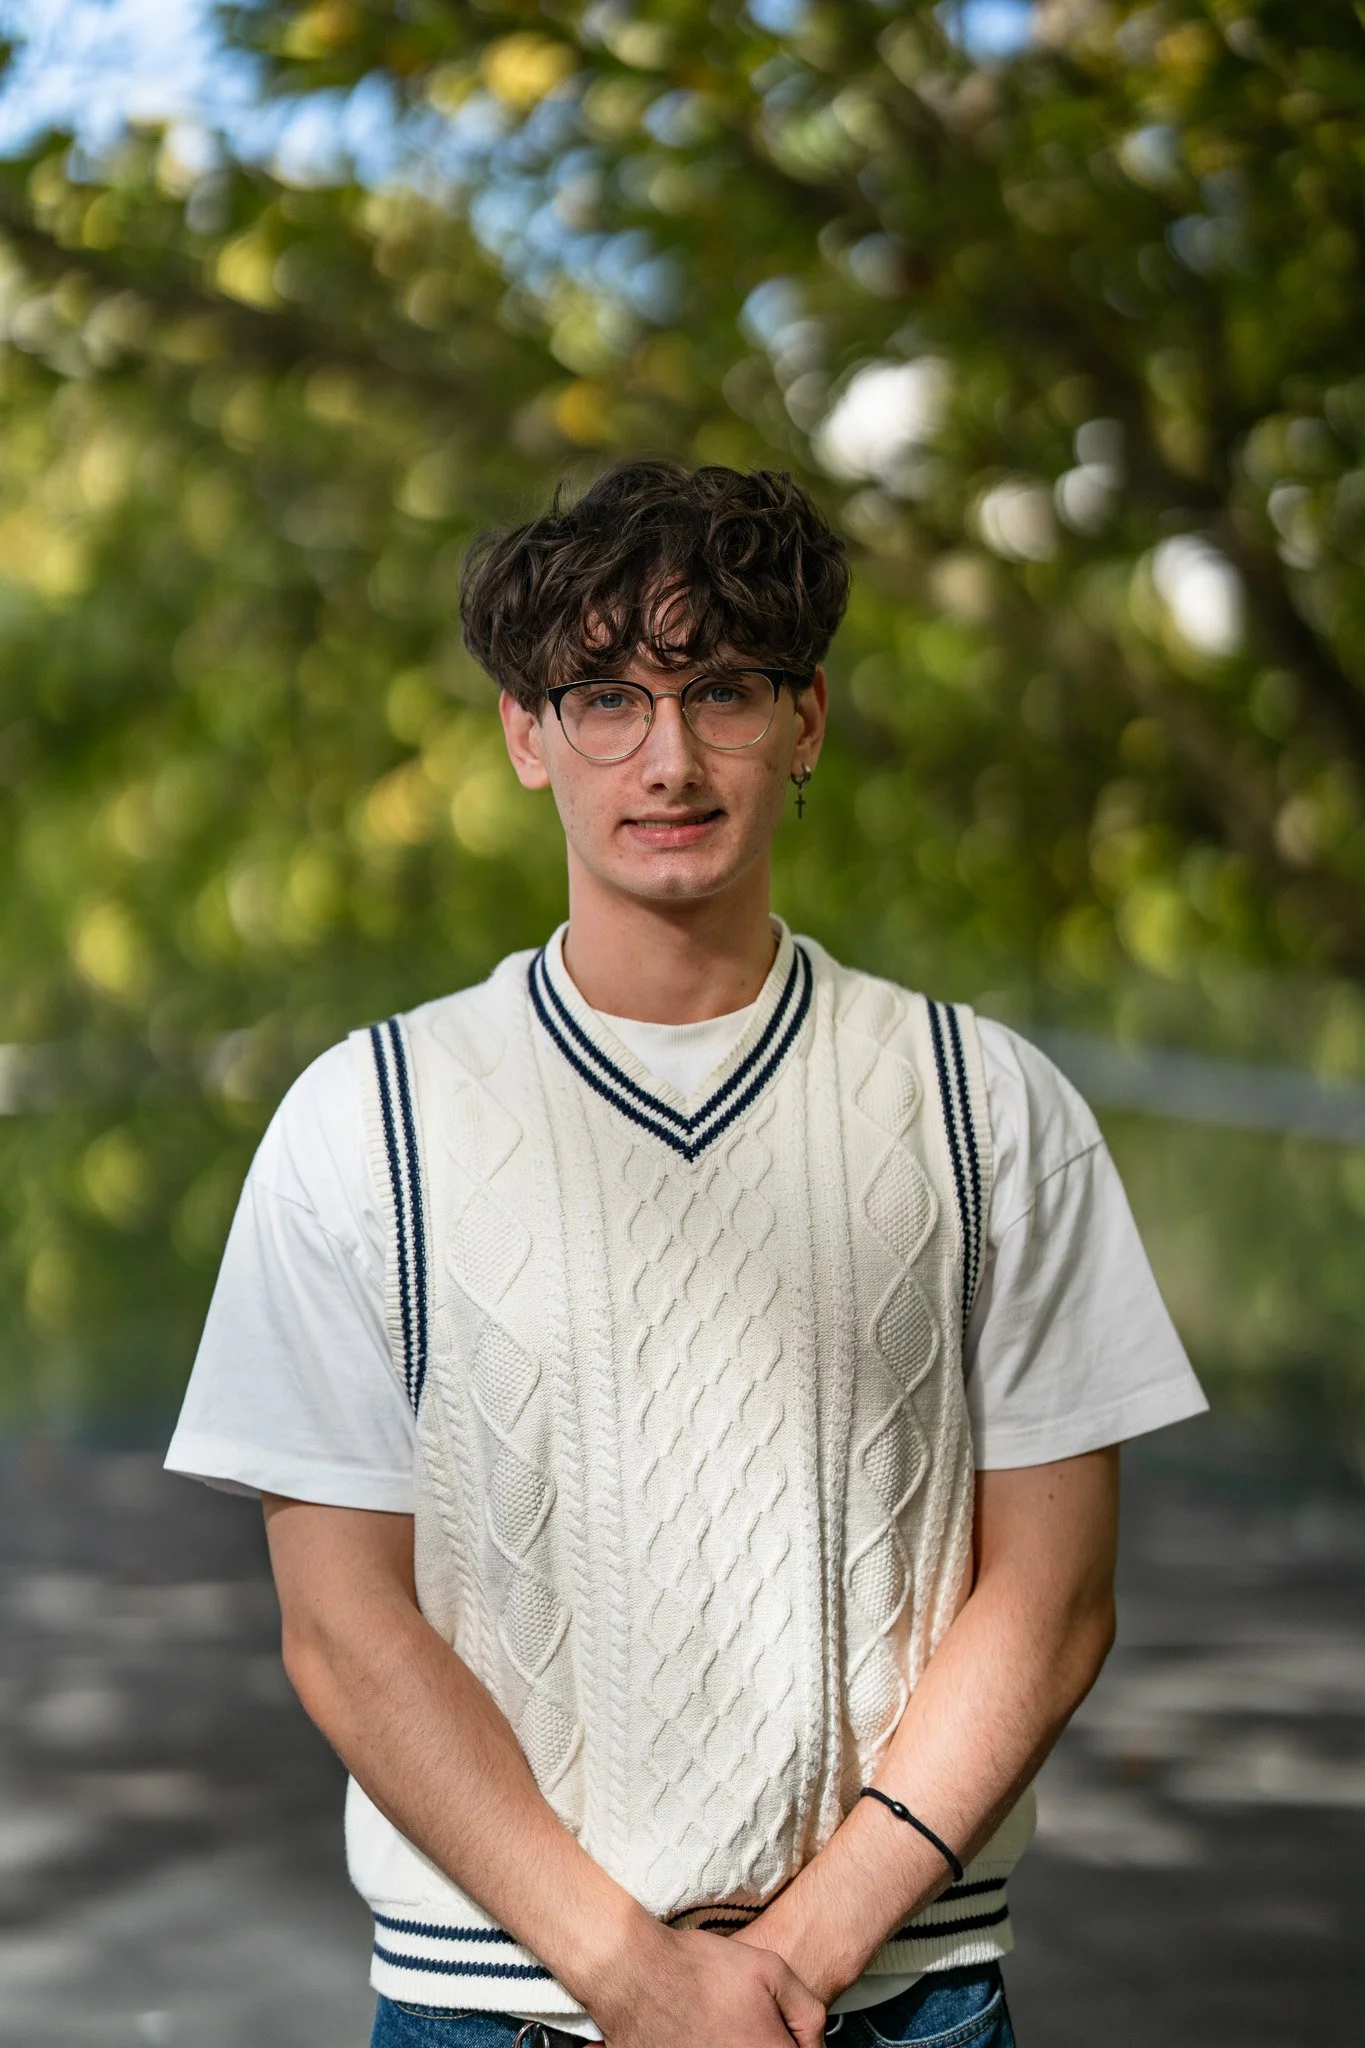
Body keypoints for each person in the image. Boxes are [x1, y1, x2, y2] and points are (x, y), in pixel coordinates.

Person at [165, 460, 1206, 2048]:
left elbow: (1055, 1598)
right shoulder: (363, 1123)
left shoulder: (987, 1106)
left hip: (901, 1993)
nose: (669, 758)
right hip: (495, 2005)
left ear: (806, 722)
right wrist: (632, 1975)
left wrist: (796, 1958)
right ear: (523, 735)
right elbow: (343, 1627)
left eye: (721, 689)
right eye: (602, 697)